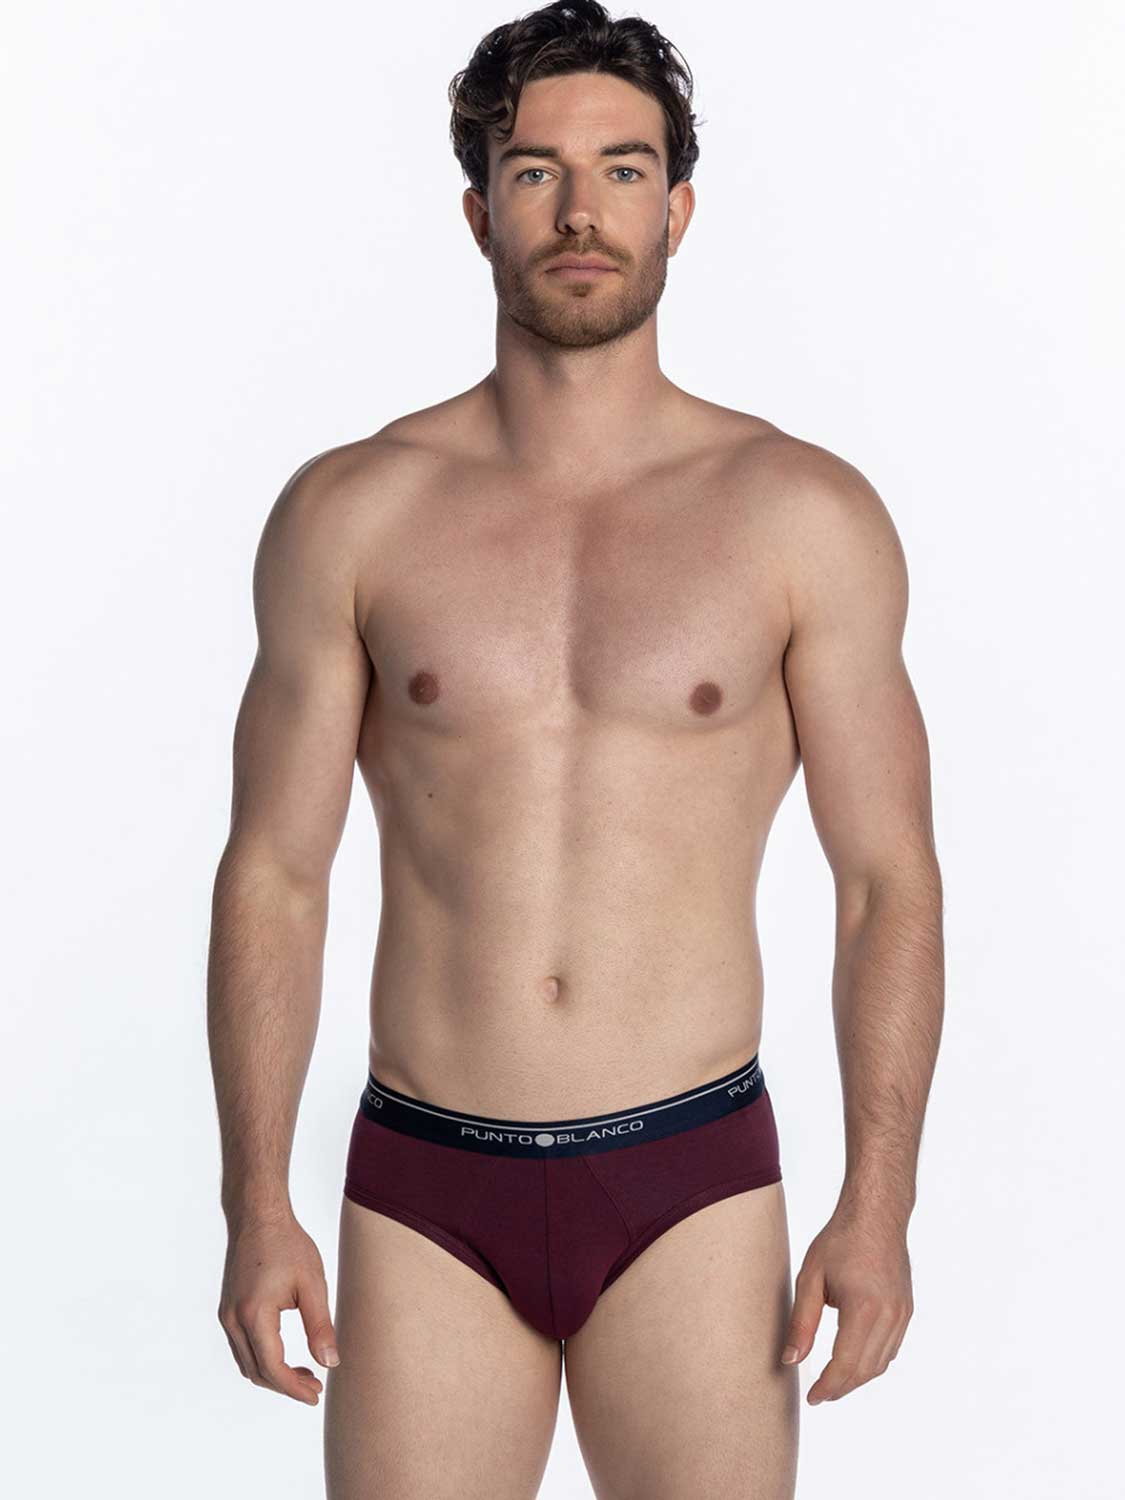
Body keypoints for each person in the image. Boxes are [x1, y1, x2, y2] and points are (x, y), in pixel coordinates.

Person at [207, 2, 944, 1495]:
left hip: (691, 1176)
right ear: (480, 212)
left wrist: (880, 1207)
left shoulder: (799, 515)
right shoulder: (355, 511)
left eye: (623, 168)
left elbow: (887, 883)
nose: (581, 211)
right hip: (426, 1180)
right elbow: (276, 872)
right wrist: (255, 1204)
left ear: (678, 209)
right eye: (535, 171)